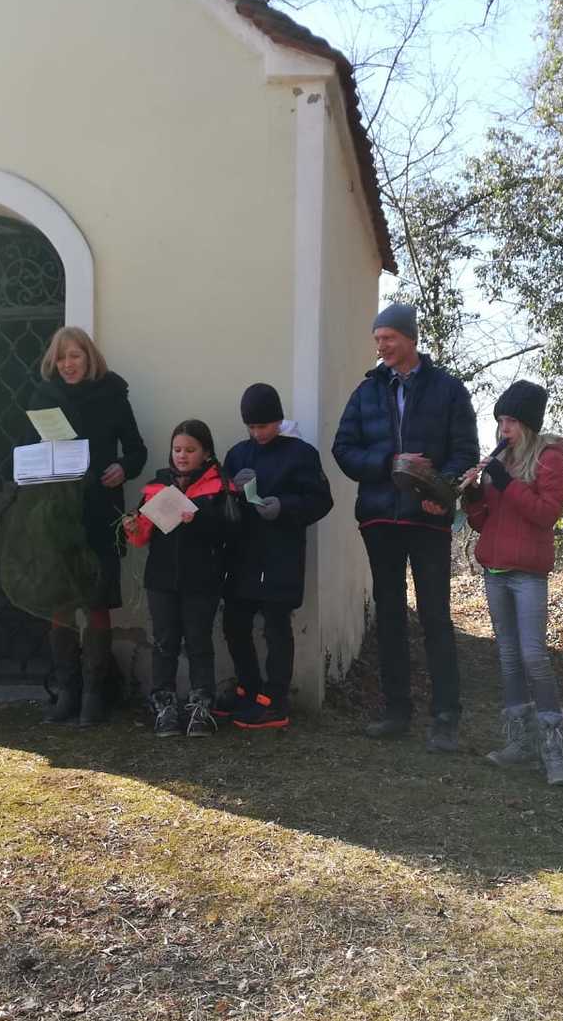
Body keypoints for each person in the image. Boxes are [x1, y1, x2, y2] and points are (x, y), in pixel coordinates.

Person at [333, 301, 479, 752]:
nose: (381, 347)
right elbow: (343, 449)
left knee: (436, 617)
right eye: (377, 340)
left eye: (388, 339)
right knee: (390, 616)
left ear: (410, 338)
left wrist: (441, 491)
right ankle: (396, 711)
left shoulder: (449, 389)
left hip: (428, 521)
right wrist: (389, 462)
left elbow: (465, 451)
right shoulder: (365, 392)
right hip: (379, 520)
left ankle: (445, 718)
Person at [29, 326, 147, 727]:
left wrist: (123, 468)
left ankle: (95, 696)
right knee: (60, 604)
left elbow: (137, 450)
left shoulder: (113, 394)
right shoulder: (43, 398)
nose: (68, 364)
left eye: (75, 356)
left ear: (89, 358)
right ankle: (68, 692)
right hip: (58, 512)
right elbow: (24, 449)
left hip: (100, 511)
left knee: (97, 603)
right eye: (61, 357)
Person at [461, 380, 563, 785]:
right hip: (495, 570)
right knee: (508, 657)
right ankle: (519, 742)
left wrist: (505, 484)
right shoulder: (500, 461)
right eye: (500, 421)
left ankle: (555, 748)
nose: (503, 429)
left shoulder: (549, 457)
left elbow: (546, 513)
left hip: (528, 572)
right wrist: (473, 497)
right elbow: (485, 523)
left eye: (510, 421)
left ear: (527, 424)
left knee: (533, 656)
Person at [220, 383, 335, 730]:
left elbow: (321, 500)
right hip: (243, 554)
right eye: (251, 427)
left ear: (279, 420)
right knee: (235, 622)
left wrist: (284, 507)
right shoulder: (238, 454)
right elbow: (222, 503)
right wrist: (233, 491)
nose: (258, 433)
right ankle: (248, 687)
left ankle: (275, 699)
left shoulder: (301, 454)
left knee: (275, 626)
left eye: (264, 426)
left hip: (280, 554)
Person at [124, 420, 234, 738]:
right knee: (164, 643)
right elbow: (142, 537)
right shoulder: (156, 486)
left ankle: (201, 707)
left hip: (202, 580)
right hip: (161, 581)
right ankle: (164, 706)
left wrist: (198, 520)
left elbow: (230, 532)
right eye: (177, 449)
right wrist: (133, 528)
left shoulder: (220, 487)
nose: (182, 455)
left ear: (206, 453)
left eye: (190, 450)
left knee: (199, 643)